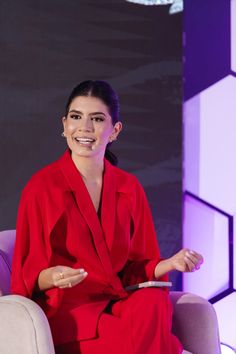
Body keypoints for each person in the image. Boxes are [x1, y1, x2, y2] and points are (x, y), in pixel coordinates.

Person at [11, 80, 203, 354]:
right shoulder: (41, 187)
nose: (85, 128)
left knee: (152, 300)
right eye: (76, 117)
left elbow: (137, 269)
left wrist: (170, 263)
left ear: (115, 130)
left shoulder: (129, 188)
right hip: (70, 312)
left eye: (97, 119)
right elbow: (25, 278)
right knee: (154, 344)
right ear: (64, 124)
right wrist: (51, 277)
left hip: (118, 300)